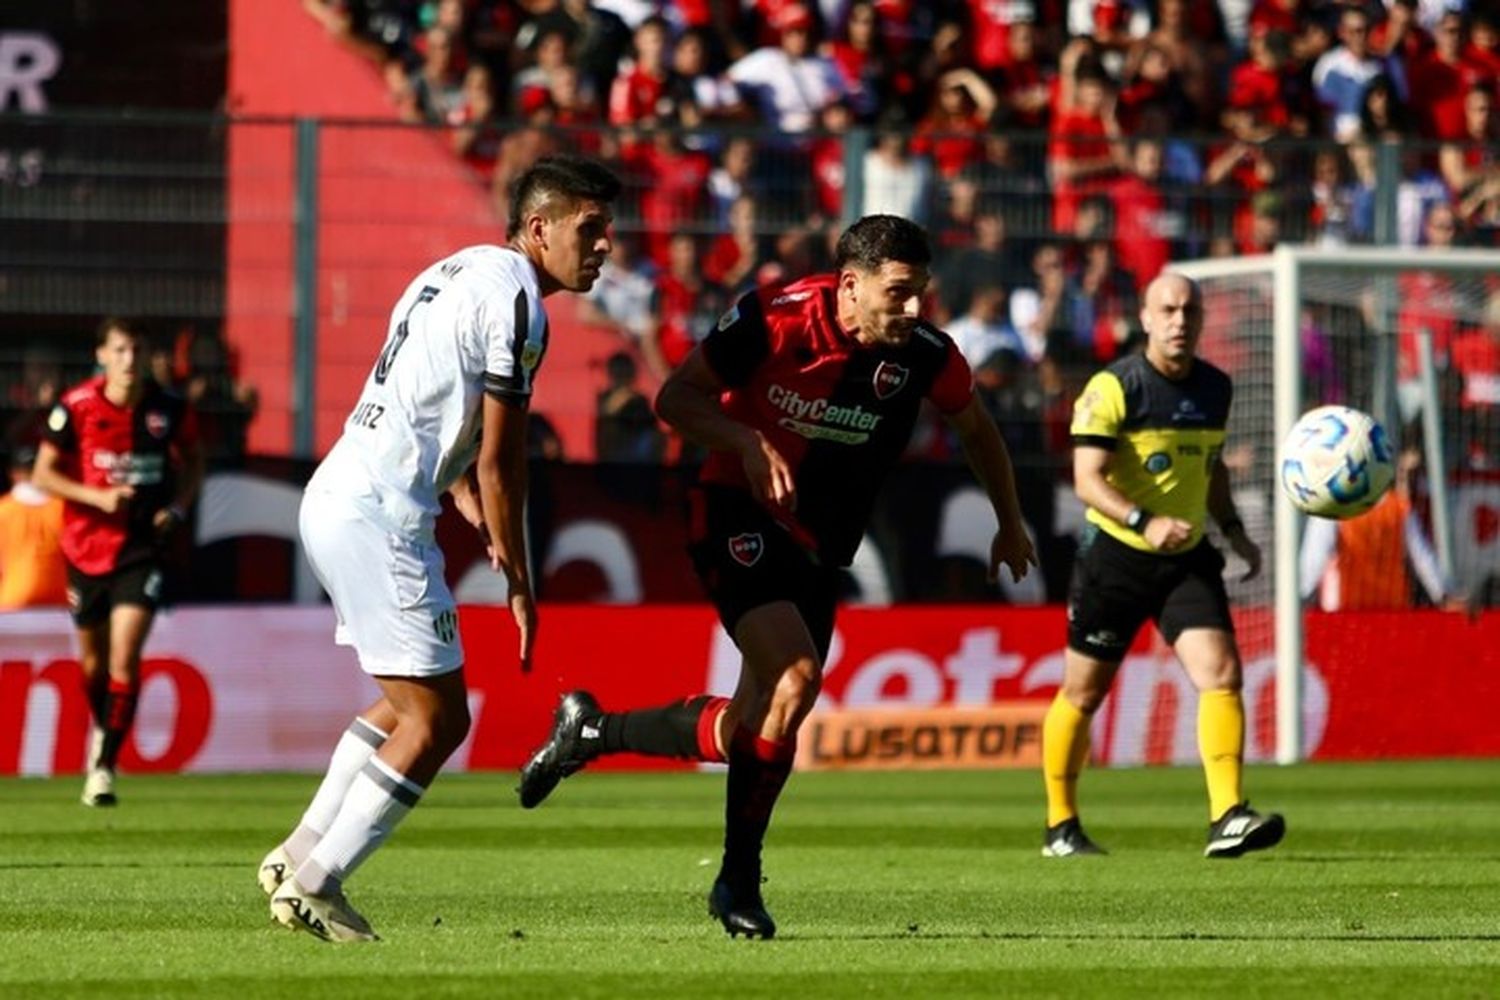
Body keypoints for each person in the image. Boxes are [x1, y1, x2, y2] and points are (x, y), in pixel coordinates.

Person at [516, 215, 1037, 938]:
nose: (915, 309)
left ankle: (593, 730)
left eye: (922, 294)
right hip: (734, 508)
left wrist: (1010, 521)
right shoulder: (777, 318)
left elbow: (977, 429)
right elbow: (677, 398)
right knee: (794, 677)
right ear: (850, 285)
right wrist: (747, 441)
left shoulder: (922, 354)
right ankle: (737, 881)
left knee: (750, 726)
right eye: (899, 293)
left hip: (820, 542)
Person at [257, 155, 620, 943]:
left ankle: (296, 854)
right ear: (538, 229)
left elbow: (426, 406)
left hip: (340, 491)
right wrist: (521, 575)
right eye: (589, 231)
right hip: (379, 517)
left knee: (404, 701)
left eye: (607, 232)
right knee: (439, 721)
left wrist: (461, 498)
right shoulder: (523, 304)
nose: (603, 248)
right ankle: (319, 883)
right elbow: (501, 460)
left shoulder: (452, 270)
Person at [1041, 272, 1285, 860]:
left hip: (1186, 560)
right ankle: (1060, 825)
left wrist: (1232, 532)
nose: (1179, 321)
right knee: (1083, 692)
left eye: (1189, 311)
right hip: (1116, 560)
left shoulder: (1215, 388)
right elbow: (1087, 480)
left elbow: (1214, 469)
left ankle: (1227, 813)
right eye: (1167, 310)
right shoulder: (1114, 387)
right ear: (1145, 318)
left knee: (1222, 673)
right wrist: (1142, 521)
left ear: (1201, 322)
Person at [31, 317, 204, 807]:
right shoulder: (77, 407)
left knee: (125, 654)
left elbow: (194, 460)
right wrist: (96, 497)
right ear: (103, 355)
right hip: (84, 548)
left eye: (138, 351)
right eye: (121, 350)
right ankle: (103, 729)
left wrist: (177, 507)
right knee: (93, 664)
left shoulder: (168, 408)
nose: (130, 360)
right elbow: (44, 474)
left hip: (142, 549)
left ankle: (103, 766)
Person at [0, 442, 67, 609]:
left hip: (12, 601)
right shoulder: (65, 507)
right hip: (60, 601)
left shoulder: (3, 510)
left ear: (14, 474)